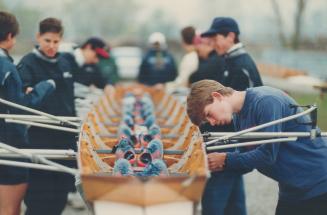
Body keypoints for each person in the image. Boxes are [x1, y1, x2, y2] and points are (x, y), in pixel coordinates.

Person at [187, 79, 327, 215]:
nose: (211, 122)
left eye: (208, 114)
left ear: (217, 96)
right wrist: (212, 164)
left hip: (317, 184)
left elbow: (267, 155)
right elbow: (246, 163)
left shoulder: (266, 101)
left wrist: (226, 159)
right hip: (292, 190)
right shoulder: (239, 117)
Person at [17, 17, 75, 215]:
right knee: (39, 200)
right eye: (47, 40)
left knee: (59, 199)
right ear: (38, 37)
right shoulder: (27, 64)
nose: (51, 46)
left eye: (56, 41)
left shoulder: (66, 62)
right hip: (39, 139)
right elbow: (23, 101)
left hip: (66, 140)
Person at [0, 11, 55, 215]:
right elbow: (20, 108)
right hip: (10, 146)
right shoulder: (5, 66)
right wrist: (45, 87)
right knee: (9, 209)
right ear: (10, 37)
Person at [201, 17, 263, 90]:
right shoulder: (230, 59)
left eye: (215, 39)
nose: (212, 45)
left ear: (231, 36)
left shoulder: (241, 66)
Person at [166, 26, 198, 91]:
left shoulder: (190, 57)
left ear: (183, 40)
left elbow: (183, 81)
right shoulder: (195, 55)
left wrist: (166, 86)